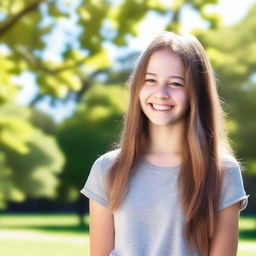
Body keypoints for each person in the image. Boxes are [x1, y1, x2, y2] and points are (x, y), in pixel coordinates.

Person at [80, 31, 249, 256]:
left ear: (195, 93)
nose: (161, 93)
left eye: (176, 83)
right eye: (150, 80)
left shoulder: (223, 172)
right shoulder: (107, 168)